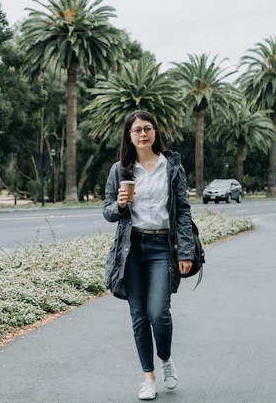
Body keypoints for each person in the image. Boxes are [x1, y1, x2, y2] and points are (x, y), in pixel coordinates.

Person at [103, 110, 195, 400]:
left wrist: (187, 251)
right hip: (131, 250)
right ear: (129, 136)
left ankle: (166, 360)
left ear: (155, 132)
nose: (142, 134)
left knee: (159, 312)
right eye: (136, 130)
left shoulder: (172, 168)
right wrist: (118, 205)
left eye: (148, 128)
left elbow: (182, 212)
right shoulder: (120, 170)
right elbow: (107, 212)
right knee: (139, 316)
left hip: (161, 248)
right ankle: (148, 378)